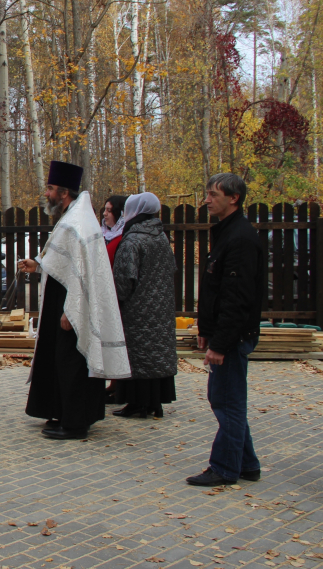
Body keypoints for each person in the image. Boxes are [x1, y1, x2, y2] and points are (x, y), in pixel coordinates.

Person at [19, 161, 131, 440]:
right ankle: (65, 414)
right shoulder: (73, 217)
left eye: (50, 189)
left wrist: (73, 312)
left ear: (64, 192)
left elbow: (81, 274)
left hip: (70, 305)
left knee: (71, 361)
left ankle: (75, 424)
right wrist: (39, 264)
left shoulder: (75, 222)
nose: (47, 194)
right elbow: (67, 263)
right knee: (62, 359)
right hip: (63, 300)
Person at [186, 173, 264, 487]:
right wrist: (206, 329)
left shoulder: (240, 238)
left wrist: (220, 343)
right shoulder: (227, 234)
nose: (207, 200)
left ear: (233, 198)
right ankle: (247, 464)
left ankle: (225, 468)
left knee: (226, 401)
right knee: (227, 398)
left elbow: (237, 298)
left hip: (233, 337)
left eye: (213, 194)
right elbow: (216, 289)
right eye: (207, 193)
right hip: (224, 334)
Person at [110, 192, 177, 418]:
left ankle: (136, 403)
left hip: (137, 311)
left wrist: (115, 301)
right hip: (160, 310)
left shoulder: (132, 240)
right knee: (155, 355)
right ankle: (154, 402)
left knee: (137, 356)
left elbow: (123, 279)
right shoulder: (160, 237)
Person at [102, 195, 128, 267]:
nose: (104, 213)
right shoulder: (102, 234)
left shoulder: (123, 237)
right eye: (105, 209)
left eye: (109, 210)